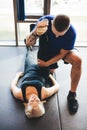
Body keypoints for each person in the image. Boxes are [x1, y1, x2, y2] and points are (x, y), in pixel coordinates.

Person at [25, 14, 82, 114]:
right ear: (51, 24)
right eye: (55, 33)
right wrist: (35, 32)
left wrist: (47, 63)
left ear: (68, 28)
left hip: (61, 51)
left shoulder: (71, 32)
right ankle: (50, 71)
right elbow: (28, 43)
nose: (57, 36)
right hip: (45, 50)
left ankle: (72, 95)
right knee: (49, 73)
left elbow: (62, 54)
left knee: (78, 60)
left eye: (60, 35)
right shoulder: (44, 22)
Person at [10, 48, 59, 118]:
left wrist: (17, 76)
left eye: (32, 102)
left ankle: (28, 46)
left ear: (27, 104)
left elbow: (12, 86)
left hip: (29, 69)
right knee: (44, 53)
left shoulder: (20, 95)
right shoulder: (43, 93)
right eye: (38, 101)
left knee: (28, 55)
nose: (34, 98)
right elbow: (57, 86)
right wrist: (50, 76)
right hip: (41, 71)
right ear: (41, 103)